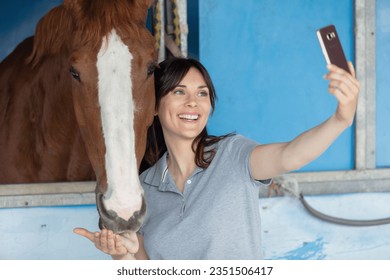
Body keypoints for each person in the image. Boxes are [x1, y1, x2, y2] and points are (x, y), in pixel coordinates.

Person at [74, 57, 360, 259]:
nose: (193, 103)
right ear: (154, 107)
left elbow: (290, 156)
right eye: (179, 91)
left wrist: (340, 119)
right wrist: (122, 254)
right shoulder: (144, 188)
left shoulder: (233, 154)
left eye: (202, 94)